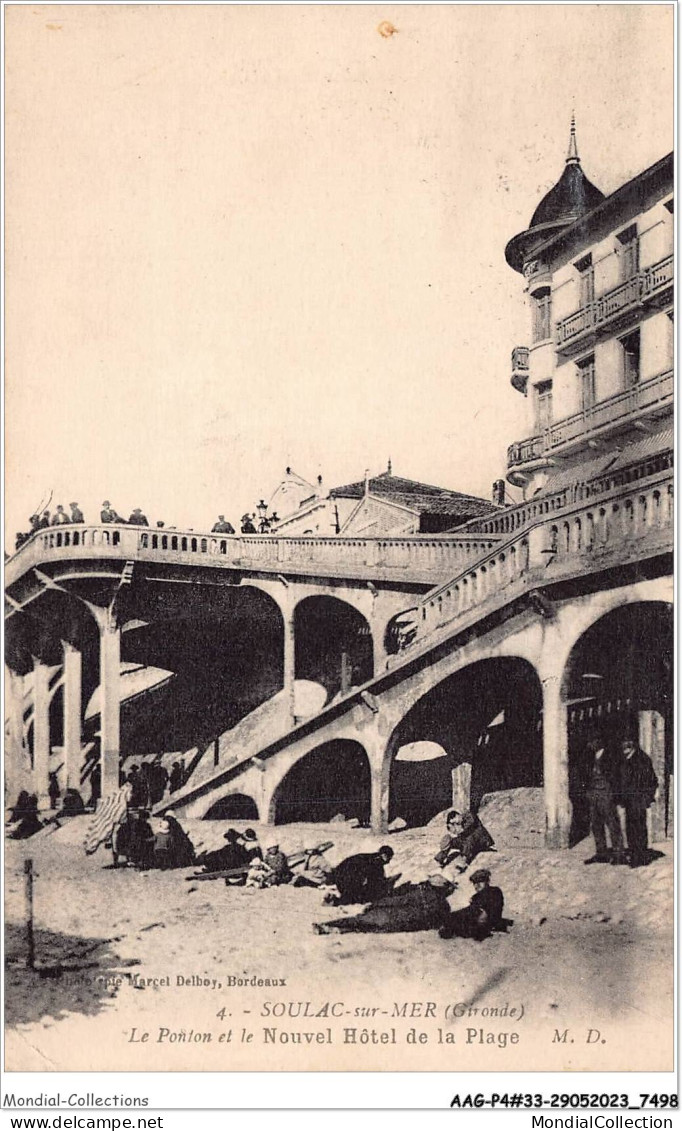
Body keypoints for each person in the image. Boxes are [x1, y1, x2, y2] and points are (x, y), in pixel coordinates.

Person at [314, 874, 455, 935]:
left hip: (392, 916)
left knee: (360, 920)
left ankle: (329, 925)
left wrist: (375, 904)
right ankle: (341, 930)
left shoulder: (420, 894)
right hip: (407, 926)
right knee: (367, 928)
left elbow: (396, 901)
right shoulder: (444, 905)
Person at [580, 734, 626, 864]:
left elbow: (617, 776)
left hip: (606, 794)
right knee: (596, 824)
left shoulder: (610, 757)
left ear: (599, 742)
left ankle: (619, 854)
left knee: (612, 824)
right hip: (593, 794)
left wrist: (614, 794)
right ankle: (601, 853)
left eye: (592, 742)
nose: (590, 745)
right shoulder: (590, 757)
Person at [617, 738, 658, 868]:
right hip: (630, 801)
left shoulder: (643, 760)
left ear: (631, 748)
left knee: (639, 829)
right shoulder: (627, 759)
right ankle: (635, 855)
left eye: (626, 749)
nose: (624, 752)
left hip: (638, 801)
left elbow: (652, 780)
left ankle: (641, 858)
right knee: (631, 828)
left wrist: (646, 798)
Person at [438, 869, 505, 941]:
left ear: (487, 881)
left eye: (480, 881)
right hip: (476, 922)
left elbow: (490, 910)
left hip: (486, 925)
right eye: (475, 883)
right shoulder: (477, 896)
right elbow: (469, 911)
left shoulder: (494, 892)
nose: (477, 885)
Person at [326, 846, 394, 905]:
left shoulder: (370, 857)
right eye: (389, 858)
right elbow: (374, 880)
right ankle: (334, 901)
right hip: (346, 878)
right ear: (384, 855)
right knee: (357, 898)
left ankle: (335, 899)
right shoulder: (376, 862)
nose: (389, 861)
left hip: (340, 875)